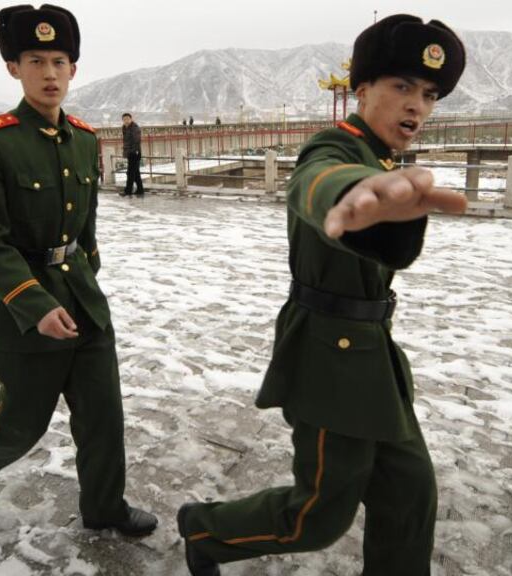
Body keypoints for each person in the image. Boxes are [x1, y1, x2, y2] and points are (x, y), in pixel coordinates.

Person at [176, 14, 468, 575]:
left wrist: (383, 194)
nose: (416, 106)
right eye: (402, 86)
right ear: (362, 90)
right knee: (316, 518)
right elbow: (316, 181)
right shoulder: (335, 147)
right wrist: (353, 195)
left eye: (429, 95)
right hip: (329, 356)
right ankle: (205, 529)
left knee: (410, 493)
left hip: (374, 355)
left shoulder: (381, 159)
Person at [0, 3, 157, 538]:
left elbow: (87, 223)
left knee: (103, 416)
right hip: (21, 311)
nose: (49, 73)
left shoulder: (84, 138)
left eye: (59, 61)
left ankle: (104, 507)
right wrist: (34, 304)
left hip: (83, 301)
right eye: (36, 61)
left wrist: (87, 272)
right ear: (13, 68)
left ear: (73, 69)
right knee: (22, 424)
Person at [120, 112, 144, 196]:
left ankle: (128, 191)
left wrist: (133, 151)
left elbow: (137, 141)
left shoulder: (134, 128)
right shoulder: (124, 128)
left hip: (134, 153)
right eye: (124, 119)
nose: (126, 121)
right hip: (130, 153)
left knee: (130, 173)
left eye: (127, 119)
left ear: (131, 119)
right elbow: (126, 141)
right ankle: (140, 190)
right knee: (136, 173)